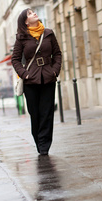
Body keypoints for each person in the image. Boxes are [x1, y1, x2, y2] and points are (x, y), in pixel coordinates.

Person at [11, 8, 62, 155]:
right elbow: (15, 59)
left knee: (47, 113)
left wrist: (55, 70)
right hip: (30, 81)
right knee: (35, 113)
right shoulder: (21, 37)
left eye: (33, 12)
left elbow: (57, 54)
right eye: (30, 13)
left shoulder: (48, 33)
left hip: (48, 77)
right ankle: (38, 140)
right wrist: (24, 75)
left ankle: (44, 145)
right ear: (26, 21)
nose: (34, 13)